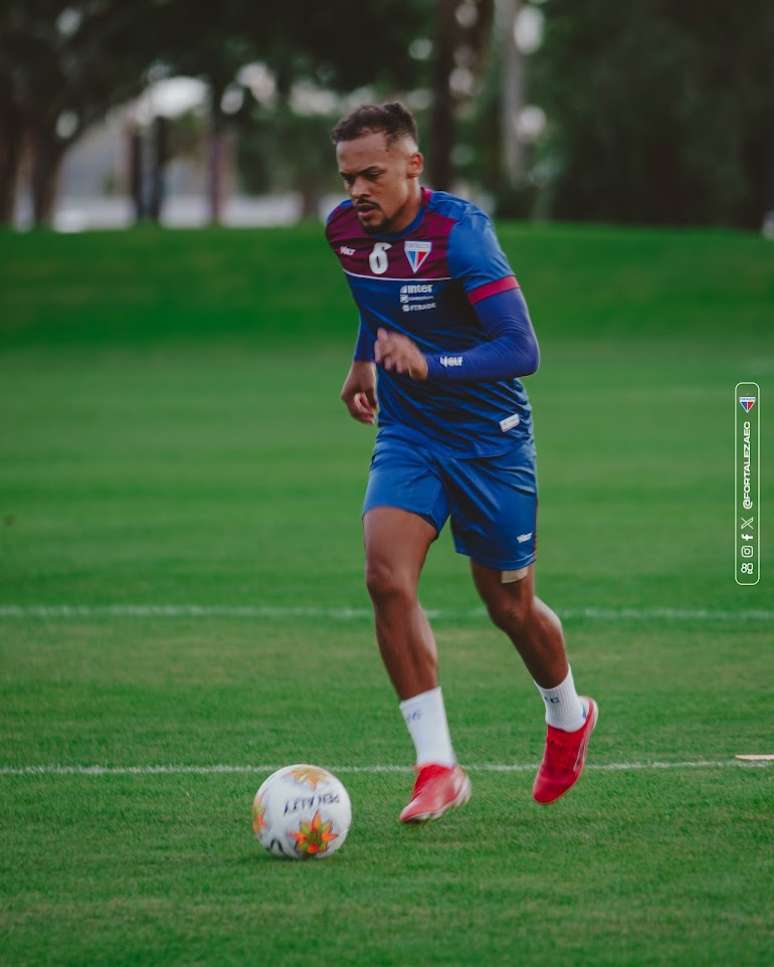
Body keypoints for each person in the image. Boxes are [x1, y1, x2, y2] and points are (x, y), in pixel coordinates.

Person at [325, 101, 597, 823]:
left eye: (372, 175)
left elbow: (521, 349)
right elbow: (376, 291)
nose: (357, 191)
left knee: (508, 605)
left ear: (413, 165)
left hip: (492, 440)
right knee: (385, 577)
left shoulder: (461, 235)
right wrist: (364, 360)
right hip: (410, 435)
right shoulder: (346, 232)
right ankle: (437, 765)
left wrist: (429, 361)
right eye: (347, 176)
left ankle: (568, 715)